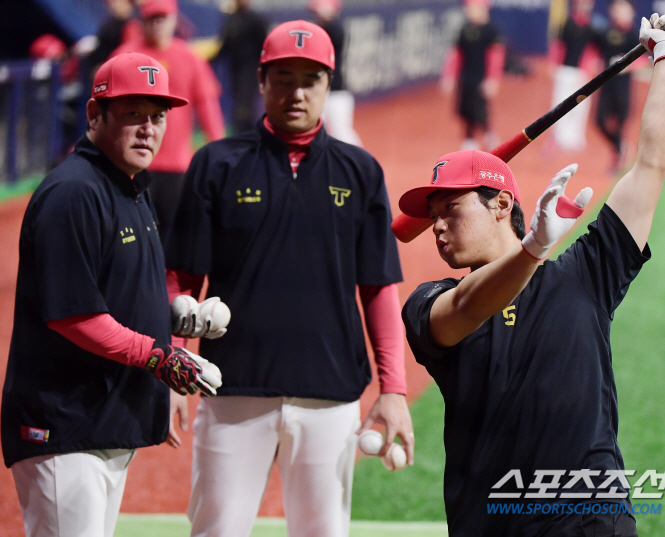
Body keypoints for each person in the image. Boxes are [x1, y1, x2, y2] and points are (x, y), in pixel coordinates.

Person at [399, 11, 665, 537]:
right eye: (432, 213)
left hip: (593, 521)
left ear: (499, 203)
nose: (436, 226)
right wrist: (531, 248)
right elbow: (466, 309)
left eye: (449, 209)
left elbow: (649, 165)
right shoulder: (427, 302)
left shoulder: (585, 276)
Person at [164, 20, 414, 537]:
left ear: (328, 83)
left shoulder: (360, 172)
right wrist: (172, 365)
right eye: (282, 78)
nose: (296, 92)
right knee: (216, 530)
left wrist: (393, 388)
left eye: (310, 79)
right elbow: (181, 280)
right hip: (231, 388)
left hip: (330, 394)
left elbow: (378, 288)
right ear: (261, 81)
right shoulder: (216, 165)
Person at [0, 52, 222, 537]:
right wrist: (160, 357)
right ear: (95, 115)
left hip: (103, 418)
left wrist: (177, 319)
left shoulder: (127, 188)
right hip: (65, 424)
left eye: (158, 116)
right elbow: (73, 315)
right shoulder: (74, 193)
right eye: (133, 114)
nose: (148, 128)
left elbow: (118, 296)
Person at [113, 0, 226, 242]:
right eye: (152, 18)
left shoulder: (189, 58)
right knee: (131, 239)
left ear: (175, 20)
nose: (157, 25)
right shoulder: (124, 57)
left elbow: (208, 108)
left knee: (174, 240)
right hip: (133, 166)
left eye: (162, 18)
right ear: (142, 21)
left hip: (176, 167)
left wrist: (219, 153)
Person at [441, 0, 505, 152]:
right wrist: (449, 76)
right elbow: (456, 55)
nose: (469, 11)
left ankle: (489, 135)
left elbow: (496, 57)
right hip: (465, 78)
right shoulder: (464, 29)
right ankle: (469, 140)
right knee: (465, 110)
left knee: (480, 111)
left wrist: (492, 79)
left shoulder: (491, 30)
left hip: (481, 79)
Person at [592, 0, 640, 173]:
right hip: (606, 85)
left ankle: (617, 158)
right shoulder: (605, 33)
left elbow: (643, 60)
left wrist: (626, 66)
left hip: (623, 87)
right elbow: (595, 51)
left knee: (620, 123)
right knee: (598, 120)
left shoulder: (635, 36)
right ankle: (620, 147)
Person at [308, 0, 362, 146]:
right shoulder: (315, 31)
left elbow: (336, 36)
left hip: (337, 94)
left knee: (342, 134)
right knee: (312, 134)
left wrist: (328, 16)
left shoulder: (336, 30)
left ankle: (360, 165)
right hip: (318, 93)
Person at [547, 0, 596, 152]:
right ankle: (559, 137)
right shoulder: (566, 24)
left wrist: (587, 70)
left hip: (581, 72)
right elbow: (558, 45)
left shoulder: (591, 27)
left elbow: (591, 51)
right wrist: (553, 63)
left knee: (581, 106)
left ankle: (575, 138)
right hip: (565, 70)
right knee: (561, 103)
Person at [215, 0, 268, 134]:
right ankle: (241, 136)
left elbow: (264, 46)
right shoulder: (232, 20)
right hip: (235, 71)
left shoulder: (256, 20)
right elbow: (225, 46)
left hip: (251, 72)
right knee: (239, 107)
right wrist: (210, 62)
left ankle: (250, 136)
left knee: (246, 108)